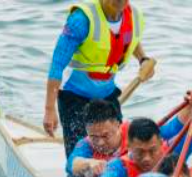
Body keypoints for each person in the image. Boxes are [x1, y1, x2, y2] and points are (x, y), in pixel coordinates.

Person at [44, 0, 155, 157]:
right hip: (74, 96)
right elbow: (57, 64)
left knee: (118, 150)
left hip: (107, 95)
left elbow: (130, 38)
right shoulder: (81, 20)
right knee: (80, 157)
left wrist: (143, 59)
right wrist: (49, 110)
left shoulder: (134, 16)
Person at [65, 91, 192, 177]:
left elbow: (171, 130)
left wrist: (189, 106)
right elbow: (70, 165)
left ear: (117, 124)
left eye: (105, 136)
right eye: (94, 137)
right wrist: (89, 162)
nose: (100, 143)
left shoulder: (134, 132)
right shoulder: (87, 144)